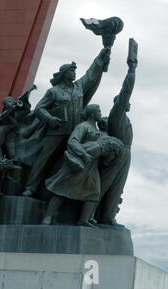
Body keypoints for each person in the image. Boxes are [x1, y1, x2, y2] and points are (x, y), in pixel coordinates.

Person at [21, 47, 111, 197]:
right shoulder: (53, 91)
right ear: (64, 74)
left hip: (74, 133)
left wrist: (101, 56)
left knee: (64, 163)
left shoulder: (78, 87)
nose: (74, 73)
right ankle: (30, 187)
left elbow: (90, 74)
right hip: (56, 131)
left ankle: (52, 193)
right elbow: (39, 109)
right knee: (44, 160)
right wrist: (50, 119)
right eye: (71, 71)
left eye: (75, 71)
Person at [41, 105, 123, 227]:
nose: (100, 113)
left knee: (94, 193)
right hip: (78, 163)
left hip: (92, 165)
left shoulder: (98, 131)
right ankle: (47, 217)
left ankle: (83, 219)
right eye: (98, 111)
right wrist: (83, 154)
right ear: (92, 113)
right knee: (62, 189)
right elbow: (72, 141)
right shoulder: (83, 126)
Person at [96, 57, 137, 225]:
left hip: (126, 154)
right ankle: (89, 214)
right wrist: (131, 71)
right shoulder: (117, 115)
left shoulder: (126, 119)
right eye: (126, 102)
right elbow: (125, 91)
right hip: (117, 153)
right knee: (104, 185)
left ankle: (108, 216)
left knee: (117, 188)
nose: (129, 104)